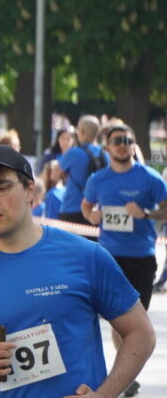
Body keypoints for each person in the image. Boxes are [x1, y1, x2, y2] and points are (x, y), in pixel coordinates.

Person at [0, 144, 155, 398]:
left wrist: (105, 394)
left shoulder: (85, 256)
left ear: (30, 190)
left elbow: (140, 332)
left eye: (2, 188)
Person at [81, 124, 167, 397]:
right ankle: (126, 374)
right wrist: (91, 216)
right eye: (117, 140)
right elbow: (86, 205)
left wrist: (145, 214)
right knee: (120, 321)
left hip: (141, 258)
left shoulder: (149, 178)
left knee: (135, 320)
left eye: (128, 140)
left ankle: (126, 371)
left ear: (133, 145)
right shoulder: (98, 179)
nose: (123, 144)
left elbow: (165, 209)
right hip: (108, 257)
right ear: (107, 147)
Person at [53, 115, 108, 226]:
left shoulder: (74, 153)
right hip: (97, 212)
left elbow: (54, 176)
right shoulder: (106, 156)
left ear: (81, 132)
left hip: (72, 209)